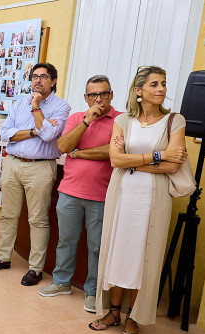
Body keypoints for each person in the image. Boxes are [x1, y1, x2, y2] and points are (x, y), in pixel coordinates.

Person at [89, 66, 188, 334]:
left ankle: (133, 317)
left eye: (163, 84)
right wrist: (158, 155)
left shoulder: (175, 121)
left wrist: (133, 161)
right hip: (123, 196)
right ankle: (113, 312)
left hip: (153, 199)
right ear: (138, 90)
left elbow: (173, 165)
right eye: (154, 84)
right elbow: (115, 160)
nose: (161, 89)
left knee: (144, 255)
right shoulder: (124, 120)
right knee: (118, 252)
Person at [38, 75, 121, 313]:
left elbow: (113, 151)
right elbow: (63, 147)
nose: (98, 99)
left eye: (103, 94)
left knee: (97, 247)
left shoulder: (120, 120)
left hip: (101, 196)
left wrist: (80, 153)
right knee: (66, 240)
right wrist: (86, 121)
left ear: (111, 95)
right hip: (69, 193)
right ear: (86, 97)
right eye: (93, 95)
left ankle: (92, 291)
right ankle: (61, 282)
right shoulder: (76, 118)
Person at [0, 62, 70, 286]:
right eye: (35, 76)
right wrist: (34, 131)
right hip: (13, 163)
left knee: (38, 219)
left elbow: (49, 135)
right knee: (8, 215)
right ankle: (3, 257)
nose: (38, 80)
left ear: (54, 81)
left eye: (43, 76)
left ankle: (35, 269)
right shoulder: (19, 103)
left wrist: (36, 107)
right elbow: (6, 133)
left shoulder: (61, 107)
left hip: (40, 167)